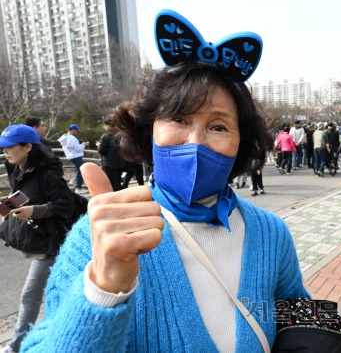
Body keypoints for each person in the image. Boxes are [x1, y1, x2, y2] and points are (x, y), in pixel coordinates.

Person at [21, 60, 310, 352]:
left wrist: (326, 330)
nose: (196, 142)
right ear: (150, 129)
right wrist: (104, 289)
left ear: (240, 143)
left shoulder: (271, 233)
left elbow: (292, 313)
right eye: (178, 120)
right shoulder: (96, 238)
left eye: (219, 126)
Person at [0, 124, 75, 353]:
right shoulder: (15, 168)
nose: (5, 153)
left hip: (52, 239)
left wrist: (35, 210)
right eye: (3, 149)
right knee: (60, 288)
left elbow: (65, 204)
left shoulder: (48, 173)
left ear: (27, 147)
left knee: (30, 294)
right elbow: (24, 194)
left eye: (9, 148)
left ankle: (17, 344)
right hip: (39, 237)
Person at [96, 115, 126, 191]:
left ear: (107, 125)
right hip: (120, 163)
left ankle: (116, 200)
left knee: (112, 184)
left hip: (109, 164)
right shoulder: (120, 135)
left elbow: (102, 151)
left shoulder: (105, 136)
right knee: (118, 182)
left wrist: (99, 145)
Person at [57, 124, 89, 194]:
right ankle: (78, 188)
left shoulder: (64, 137)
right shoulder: (72, 138)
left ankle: (74, 180)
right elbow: (78, 148)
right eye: (76, 131)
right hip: (76, 156)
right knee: (81, 171)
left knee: (79, 170)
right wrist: (84, 144)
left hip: (70, 156)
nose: (77, 132)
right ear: (73, 130)